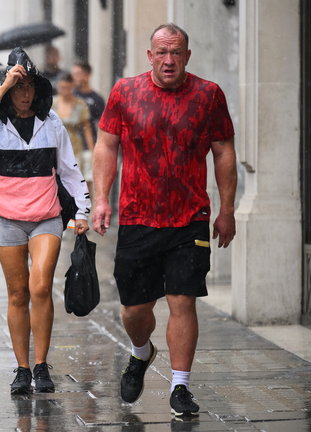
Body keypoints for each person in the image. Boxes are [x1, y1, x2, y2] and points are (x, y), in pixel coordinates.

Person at [92, 23, 237, 418]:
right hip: (138, 217)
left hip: (189, 218)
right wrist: (101, 199)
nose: (169, 60)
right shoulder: (125, 92)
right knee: (135, 310)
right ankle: (141, 353)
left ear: (187, 56)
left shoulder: (208, 95)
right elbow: (106, 145)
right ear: (150, 55)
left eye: (176, 53)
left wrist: (227, 209)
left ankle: (180, 387)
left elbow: (223, 152)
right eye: (162, 52)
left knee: (182, 300)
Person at [0, 47, 91, 395]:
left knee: (40, 287)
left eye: (28, 85)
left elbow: (69, 168)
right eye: (18, 86)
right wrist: (2, 88)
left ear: (38, 88)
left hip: (46, 217)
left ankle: (41, 365)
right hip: (7, 220)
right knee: (18, 294)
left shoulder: (51, 122)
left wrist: (82, 211)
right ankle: (22, 369)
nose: (24, 93)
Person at [52, 73, 94, 197]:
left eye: (67, 87)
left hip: (74, 147)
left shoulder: (79, 103)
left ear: (72, 87)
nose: (64, 91)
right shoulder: (51, 103)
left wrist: (92, 151)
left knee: (79, 182)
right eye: (62, 87)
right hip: (55, 147)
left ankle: (80, 212)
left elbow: (87, 129)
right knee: (57, 182)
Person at [71, 62, 105, 197]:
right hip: (71, 145)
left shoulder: (96, 99)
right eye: (73, 74)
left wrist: (96, 149)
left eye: (78, 74)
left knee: (87, 182)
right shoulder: (69, 96)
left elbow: (103, 125)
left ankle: (86, 215)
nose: (75, 78)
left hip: (88, 146)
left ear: (87, 75)